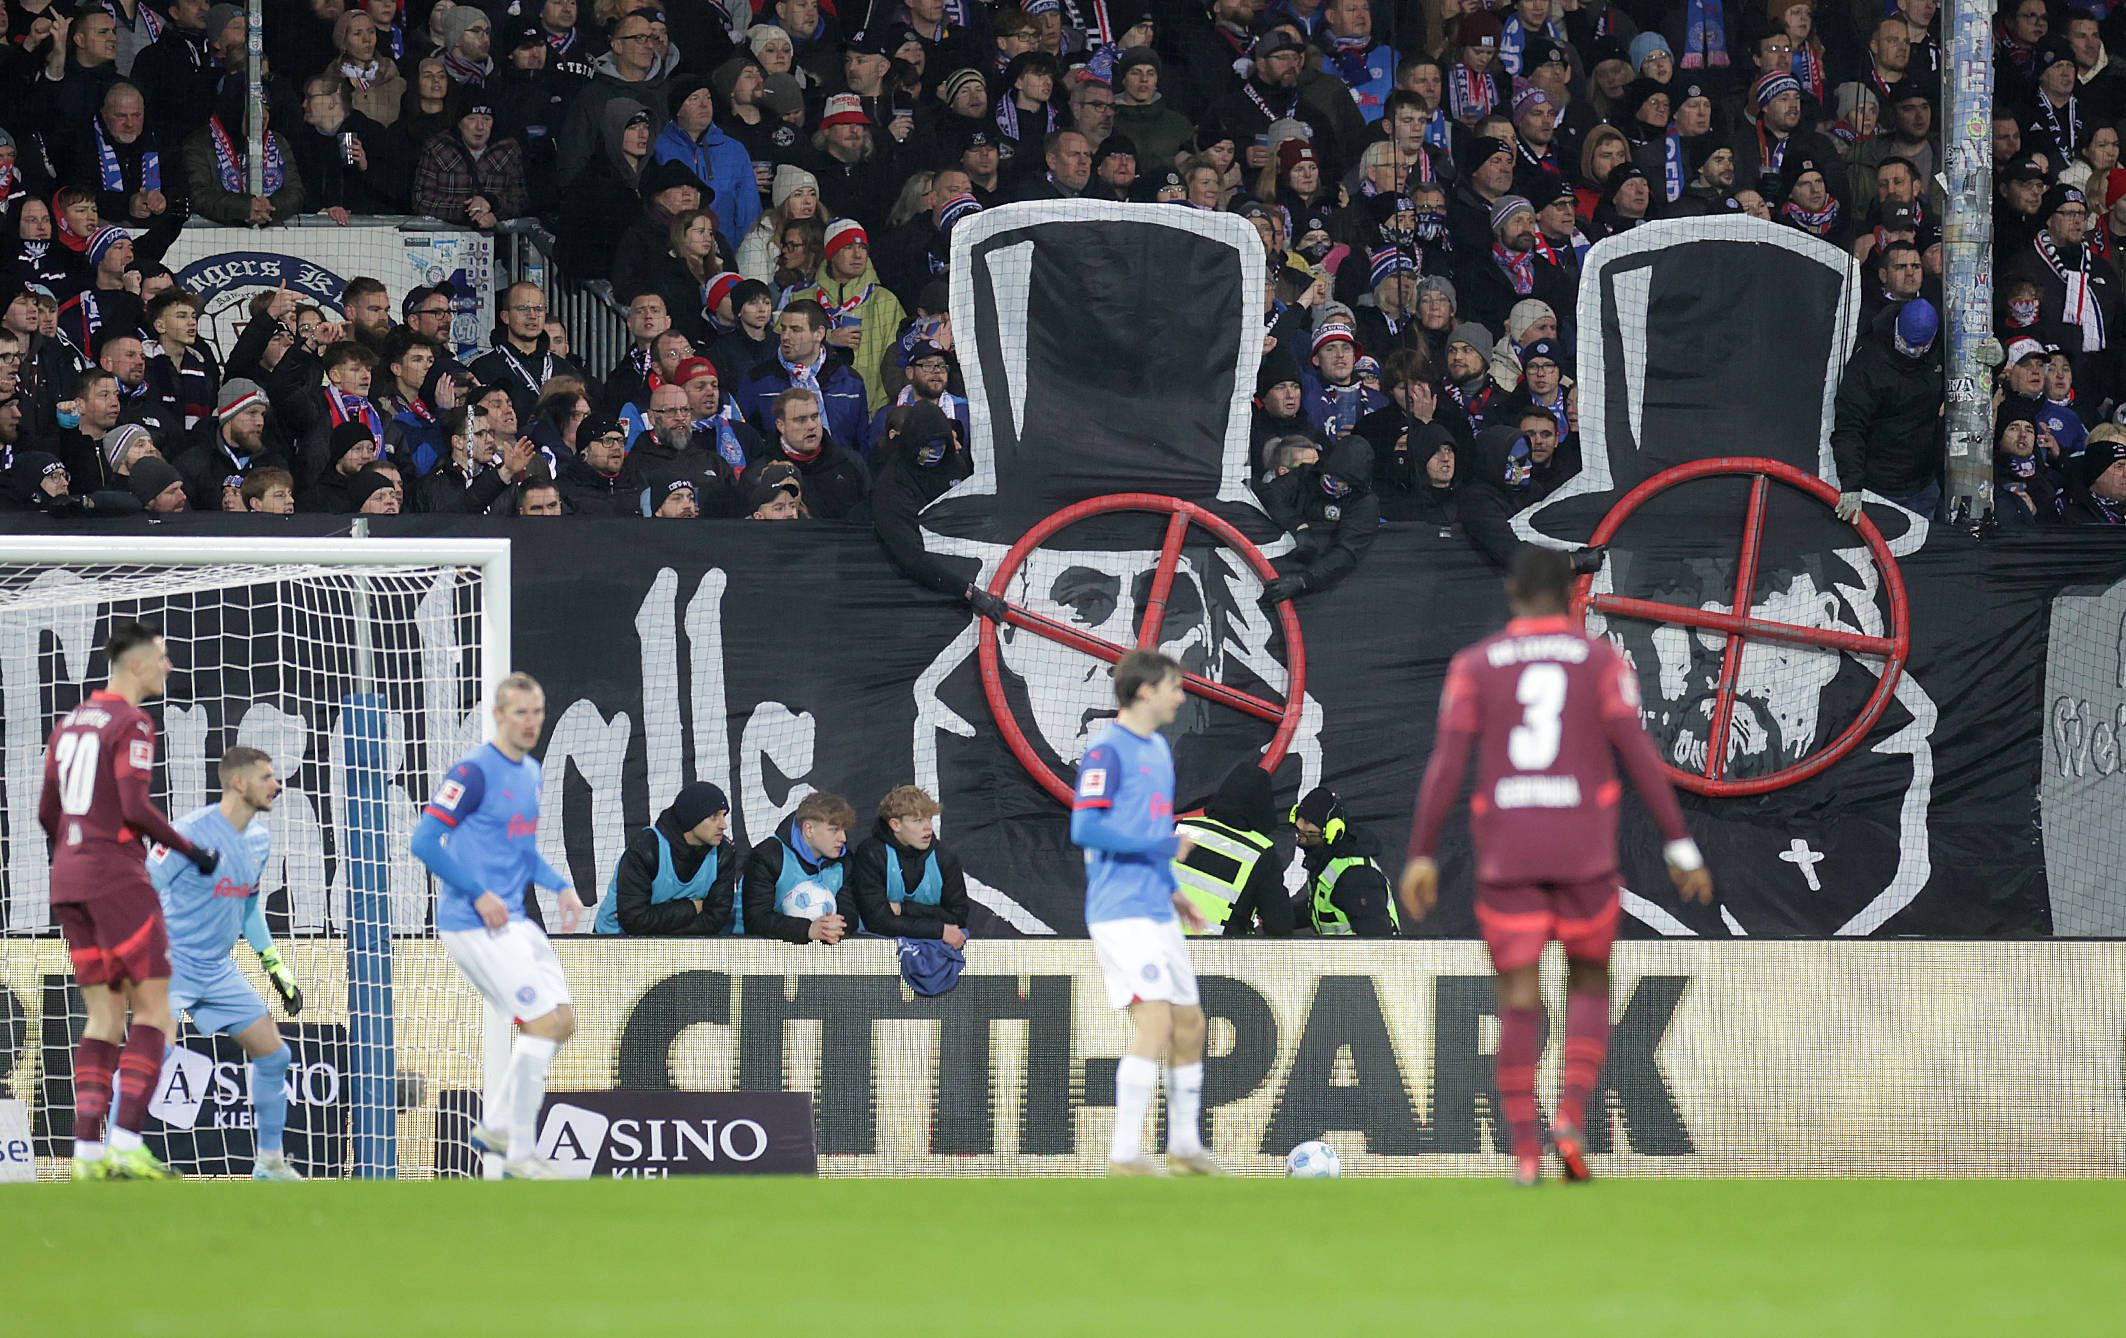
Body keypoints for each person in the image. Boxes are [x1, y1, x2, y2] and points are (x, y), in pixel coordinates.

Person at [1399, 549, 1714, 1186]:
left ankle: (1524, 1154)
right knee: (1589, 982)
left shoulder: (1475, 664)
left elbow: (1446, 765)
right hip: (1582, 851)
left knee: (1518, 1000)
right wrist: (1680, 845)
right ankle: (1570, 1118)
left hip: (1508, 852)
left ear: (1513, 592)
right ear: (1572, 594)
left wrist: (1422, 853)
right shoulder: (1601, 661)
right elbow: (1640, 754)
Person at [42, 620, 218, 1181]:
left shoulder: (69, 723)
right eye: (162, 657)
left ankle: (86, 1156)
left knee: (103, 1016)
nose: (168, 666)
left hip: (67, 880)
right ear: (137, 663)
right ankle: (125, 1142)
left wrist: (76, 853)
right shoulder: (133, 722)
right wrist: (193, 851)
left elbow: (47, 811)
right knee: (156, 1013)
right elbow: (135, 807)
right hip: (116, 879)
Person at [409, 671, 583, 1179]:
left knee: (562, 1020)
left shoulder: (531, 772)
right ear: (499, 716)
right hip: (471, 922)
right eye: (520, 713)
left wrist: (560, 885)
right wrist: (477, 892)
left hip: (514, 920)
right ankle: (517, 1149)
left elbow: (522, 850)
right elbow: (423, 841)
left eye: (537, 712)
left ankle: (499, 1127)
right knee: (541, 1022)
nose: (531, 722)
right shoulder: (473, 772)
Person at [1071, 648, 1218, 1176]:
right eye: (1174, 686)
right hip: (1120, 912)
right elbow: (1085, 828)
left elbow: (1150, 830)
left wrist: (1173, 890)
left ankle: (1183, 1148)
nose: (1181, 696)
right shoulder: (1106, 752)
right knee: (1155, 1021)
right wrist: (1161, 849)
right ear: (1144, 691)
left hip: (1156, 907)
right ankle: (1124, 1155)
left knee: (1190, 1023)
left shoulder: (1158, 750)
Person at [144, 747, 304, 1181]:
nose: (277, 785)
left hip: (217, 969)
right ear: (239, 782)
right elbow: (142, 889)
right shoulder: (187, 834)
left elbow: (248, 906)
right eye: (267, 777)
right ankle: (115, 1152)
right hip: (172, 963)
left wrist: (274, 965)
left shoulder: (259, 841)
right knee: (152, 1054)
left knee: (275, 1055)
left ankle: (270, 1164)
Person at [1832, 298, 1944, 520]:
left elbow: (1969, 374)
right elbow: (1850, 427)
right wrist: (1851, 484)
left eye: (1920, 347)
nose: (1911, 351)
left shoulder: (1940, 349)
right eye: (1906, 343)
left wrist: (1996, 360)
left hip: (1926, 483)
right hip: (1881, 488)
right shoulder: (1868, 364)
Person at [596, 780, 743, 935]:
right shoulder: (647, 849)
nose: (723, 825)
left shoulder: (723, 853)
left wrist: (658, 922)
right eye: (714, 817)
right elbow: (635, 921)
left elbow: (715, 919)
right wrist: (692, 907)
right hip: (615, 940)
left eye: (723, 815)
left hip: (684, 941)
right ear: (692, 817)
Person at [1171, 761, 1291, 937]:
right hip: (1218, 950)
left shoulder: (1182, 829)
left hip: (1162, 943)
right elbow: (1280, 925)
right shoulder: (1261, 853)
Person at [845, 785, 971, 943]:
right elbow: (877, 921)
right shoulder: (871, 854)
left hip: (933, 948)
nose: (928, 827)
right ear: (895, 825)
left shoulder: (945, 857)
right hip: (877, 947)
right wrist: (939, 929)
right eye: (918, 820)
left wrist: (902, 909)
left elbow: (957, 917)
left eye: (929, 818)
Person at [743, 790, 856, 943]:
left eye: (844, 830)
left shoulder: (844, 861)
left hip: (826, 948)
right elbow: (756, 920)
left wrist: (836, 928)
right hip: (762, 950)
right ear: (809, 829)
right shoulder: (767, 856)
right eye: (834, 830)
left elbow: (849, 913)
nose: (843, 838)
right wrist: (807, 930)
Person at [1290, 786, 1396, 937]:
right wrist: (1282, 914)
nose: (1299, 825)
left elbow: (1377, 941)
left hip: (1361, 953)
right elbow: (1322, 910)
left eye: (1307, 822)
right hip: (1337, 953)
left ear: (1332, 828)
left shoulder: (1357, 878)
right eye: (1299, 818)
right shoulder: (1325, 861)